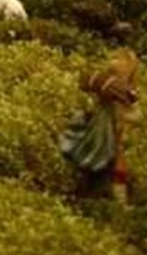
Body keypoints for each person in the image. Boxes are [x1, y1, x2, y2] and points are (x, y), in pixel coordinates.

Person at [59, 49, 140, 204]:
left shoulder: (128, 91)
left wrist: (125, 117)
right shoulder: (105, 83)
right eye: (116, 61)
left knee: (116, 169)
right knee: (98, 165)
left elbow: (135, 112)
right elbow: (86, 83)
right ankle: (91, 199)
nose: (118, 65)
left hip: (116, 135)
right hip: (101, 131)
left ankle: (117, 204)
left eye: (122, 63)